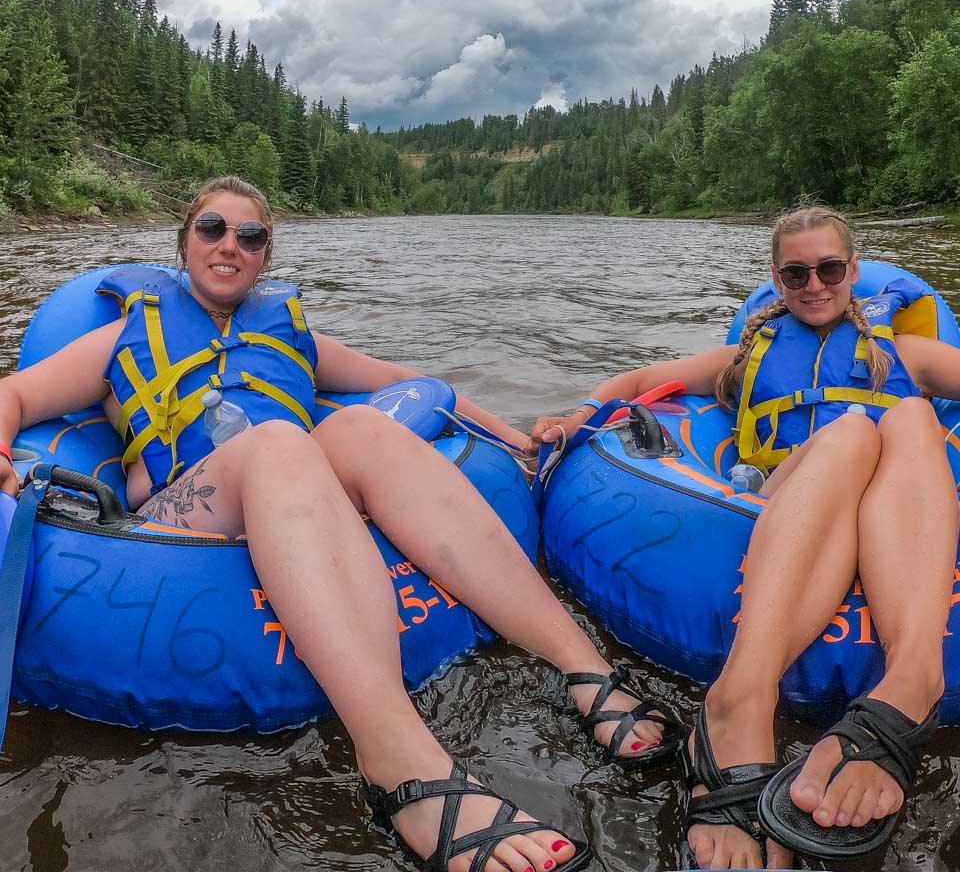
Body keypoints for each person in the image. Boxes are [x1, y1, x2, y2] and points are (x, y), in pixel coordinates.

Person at [0, 176, 681, 872]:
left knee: (359, 426)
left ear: (266, 254)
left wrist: (516, 441)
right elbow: (15, 394)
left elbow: (411, 382)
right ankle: (398, 762)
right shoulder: (125, 335)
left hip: (301, 502)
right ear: (184, 244)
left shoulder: (292, 333)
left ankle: (584, 667)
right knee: (278, 443)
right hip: (182, 518)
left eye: (251, 235)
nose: (229, 245)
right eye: (212, 228)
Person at [531, 204, 960, 871]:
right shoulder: (750, 355)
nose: (814, 285)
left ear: (853, 271)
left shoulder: (904, 353)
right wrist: (578, 415)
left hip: (889, 501)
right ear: (776, 278)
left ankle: (911, 678)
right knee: (851, 432)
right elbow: (641, 383)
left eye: (829, 269)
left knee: (904, 416)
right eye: (796, 273)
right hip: (789, 489)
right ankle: (741, 700)